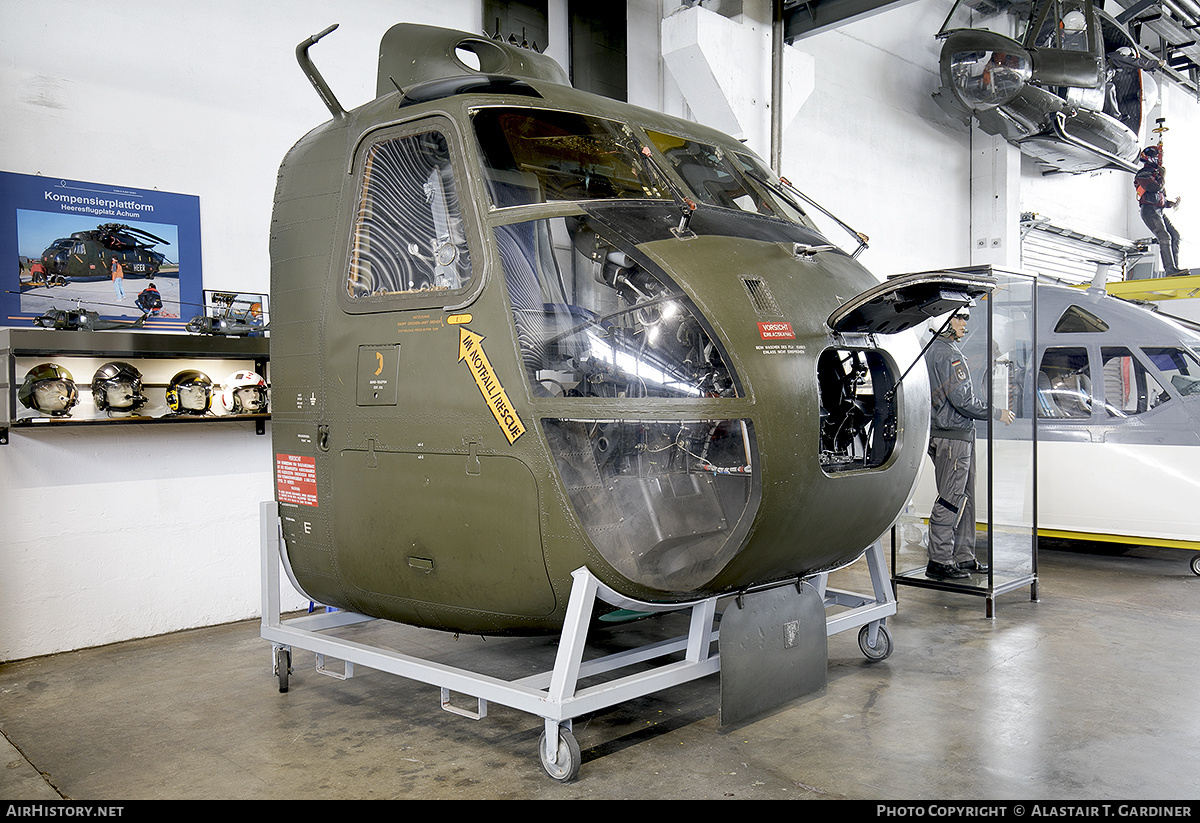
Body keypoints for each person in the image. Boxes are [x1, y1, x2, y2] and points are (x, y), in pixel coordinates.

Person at [925, 307, 1015, 581]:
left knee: (964, 496)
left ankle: (962, 556)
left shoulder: (931, 350)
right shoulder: (948, 354)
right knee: (952, 499)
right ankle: (940, 560)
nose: (964, 323)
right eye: (959, 318)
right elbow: (962, 401)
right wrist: (997, 413)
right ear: (945, 321)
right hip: (954, 437)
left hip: (949, 433)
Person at [1134, 145, 1184, 275]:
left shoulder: (1154, 174)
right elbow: (1153, 188)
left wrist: (1170, 204)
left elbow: (1158, 196)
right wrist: (1162, 176)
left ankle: (1174, 268)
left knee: (1175, 235)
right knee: (1164, 236)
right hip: (1149, 210)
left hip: (1158, 210)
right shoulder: (1143, 173)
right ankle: (1170, 269)